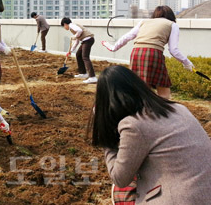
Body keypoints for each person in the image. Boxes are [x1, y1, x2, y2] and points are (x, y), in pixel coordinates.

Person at [88, 65, 211, 204]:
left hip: (181, 199)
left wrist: (106, 136)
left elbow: (119, 179)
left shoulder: (134, 125)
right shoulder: (178, 108)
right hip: (205, 192)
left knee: (121, 191)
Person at [101, 6, 193, 99]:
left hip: (136, 52)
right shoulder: (172, 24)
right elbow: (173, 50)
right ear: (171, 15)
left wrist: (113, 48)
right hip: (153, 53)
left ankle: (142, 110)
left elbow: (127, 36)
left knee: (141, 86)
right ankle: (162, 110)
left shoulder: (144, 22)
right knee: (163, 89)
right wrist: (187, 63)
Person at [60, 17, 97, 84]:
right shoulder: (72, 28)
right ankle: (83, 73)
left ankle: (92, 77)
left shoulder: (71, 25)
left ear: (65, 24)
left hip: (88, 39)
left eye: (63, 26)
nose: (64, 28)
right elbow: (77, 41)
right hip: (85, 40)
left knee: (85, 57)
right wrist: (70, 51)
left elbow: (80, 31)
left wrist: (74, 36)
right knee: (78, 55)